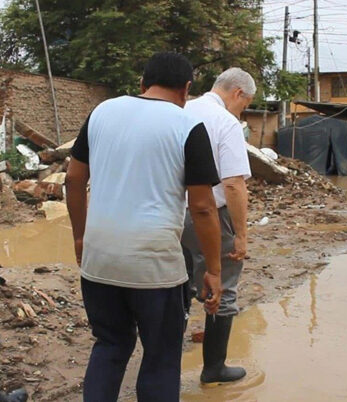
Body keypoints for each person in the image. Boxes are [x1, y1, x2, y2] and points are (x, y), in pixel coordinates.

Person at [65, 52, 223, 402]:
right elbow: (202, 208)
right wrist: (213, 270)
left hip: (99, 259)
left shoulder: (101, 112)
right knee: (161, 357)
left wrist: (80, 236)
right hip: (154, 266)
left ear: (142, 83)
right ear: (186, 89)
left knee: (110, 344)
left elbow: (73, 180)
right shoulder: (187, 126)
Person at [181, 67, 255, 385]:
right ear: (237, 93)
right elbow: (234, 184)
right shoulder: (225, 122)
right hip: (209, 214)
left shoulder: (181, 109)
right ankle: (214, 368)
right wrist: (241, 235)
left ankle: (165, 365)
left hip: (172, 214)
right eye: (245, 105)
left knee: (179, 288)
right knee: (222, 289)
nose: (242, 112)